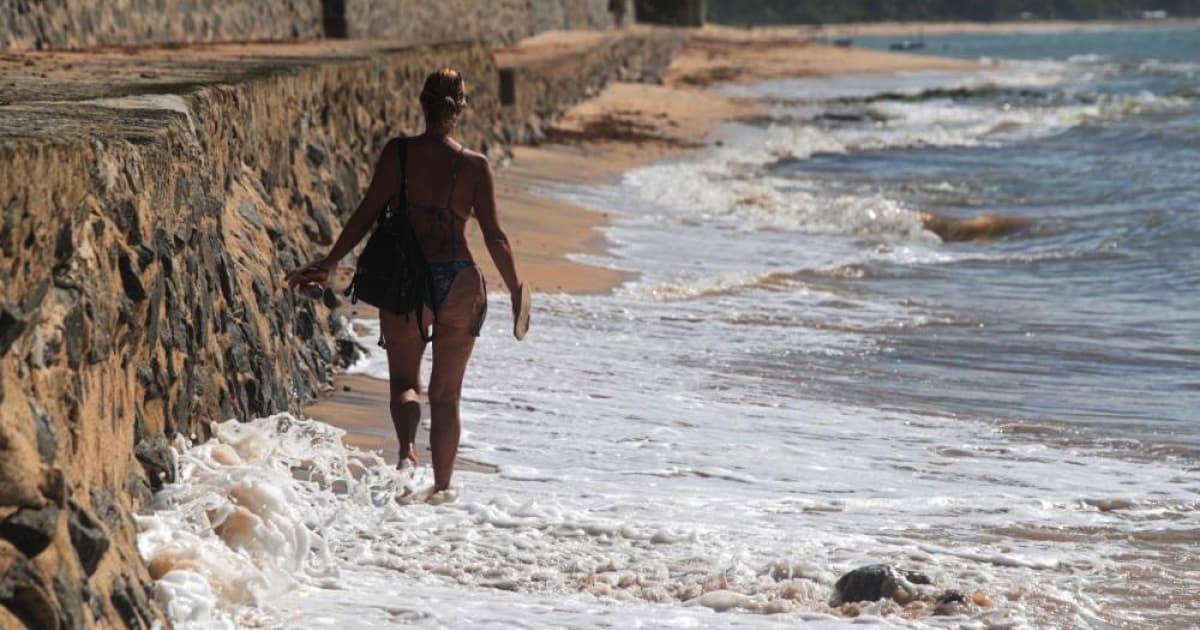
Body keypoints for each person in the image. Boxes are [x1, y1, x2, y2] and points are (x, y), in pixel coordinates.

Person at [286, 68, 525, 494]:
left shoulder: (398, 154)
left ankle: (406, 454)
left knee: (405, 385)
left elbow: (366, 212)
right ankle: (443, 490)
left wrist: (331, 261)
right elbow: (495, 236)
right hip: (460, 279)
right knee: (448, 397)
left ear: (422, 105)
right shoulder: (474, 166)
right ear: (461, 108)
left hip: (407, 282)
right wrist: (517, 290)